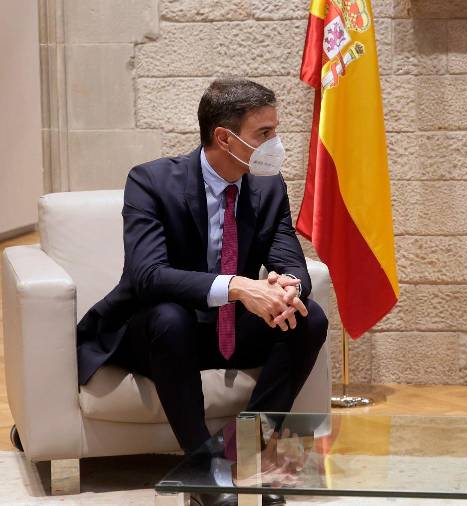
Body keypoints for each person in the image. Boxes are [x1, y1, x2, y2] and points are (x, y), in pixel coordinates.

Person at [76, 78, 328, 506]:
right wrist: (236, 287)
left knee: (308, 315)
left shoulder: (268, 187)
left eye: (275, 131)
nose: (276, 144)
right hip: (159, 334)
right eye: (263, 134)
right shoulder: (152, 182)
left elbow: (290, 259)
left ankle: (245, 455)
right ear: (224, 138)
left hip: (228, 332)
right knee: (168, 316)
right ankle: (204, 473)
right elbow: (147, 275)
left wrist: (287, 287)